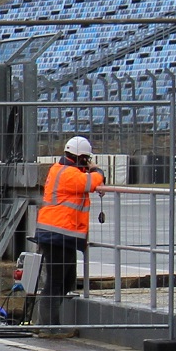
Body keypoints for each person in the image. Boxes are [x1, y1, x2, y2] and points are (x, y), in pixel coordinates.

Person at [33, 134, 104, 325]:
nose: (88, 163)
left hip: (63, 234)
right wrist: (97, 171)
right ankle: (49, 327)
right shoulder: (67, 173)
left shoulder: (63, 170)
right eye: (86, 160)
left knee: (66, 280)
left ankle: (49, 324)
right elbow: (91, 181)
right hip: (57, 234)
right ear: (81, 158)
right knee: (55, 283)